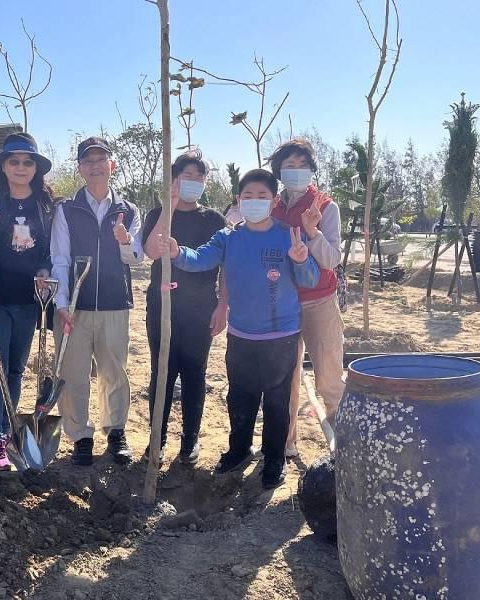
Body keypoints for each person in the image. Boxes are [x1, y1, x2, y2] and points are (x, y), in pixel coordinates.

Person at [158, 169, 320, 488]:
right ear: (238, 200)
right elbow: (200, 259)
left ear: (274, 201)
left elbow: (309, 279)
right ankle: (239, 450)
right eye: (248, 196)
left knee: (276, 401)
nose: (255, 202)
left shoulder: (288, 234)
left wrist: (301, 260)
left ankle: (274, 460)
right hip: (241, 335)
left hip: (281, 336)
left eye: (262, 197)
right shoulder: (229, 238)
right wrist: (177, 252)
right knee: (240, 397)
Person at [50, 136, 143, 466]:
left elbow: (136, 259)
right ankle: (80, 436)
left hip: (115, 305)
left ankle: (115, 430)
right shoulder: (66, 210)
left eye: (101, 160)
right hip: (76, 306)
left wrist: (125, 240)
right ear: (80, 168)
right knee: (73, 373)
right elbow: (59, 259)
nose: (95, 166)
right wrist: (61, 304)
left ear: (111, 165)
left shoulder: (129, 211)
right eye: (88, 161)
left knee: (114, 371)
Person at [0, 132, 54, 470]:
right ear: (3, 166)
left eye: (27, 161)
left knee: (18, 369)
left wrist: (45, 268)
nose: (21, 167)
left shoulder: (47, 204)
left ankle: (8, 433)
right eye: (14, 161)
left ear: (36, 167)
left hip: (28, 300)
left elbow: (50, 250)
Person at [142, 150, 228, 464]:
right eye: (185, 176)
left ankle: (190, 442)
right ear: (174, 179)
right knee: (161, 372)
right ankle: (157, 439)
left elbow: (225, 267)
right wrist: (170, 207)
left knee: (195, 373)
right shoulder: (158, 214)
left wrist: (223, 305)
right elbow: (152, 251)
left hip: (200, 306)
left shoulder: (214, 220)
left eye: (198, 177)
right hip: (162, 305)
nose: (192, 182)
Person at [268, 138, 344, 458]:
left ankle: (344, 444)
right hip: (282, 303)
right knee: (286, 377)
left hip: (319, 303)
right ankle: (286, 444)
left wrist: (313, 232)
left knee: (328, 376)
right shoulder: (271, 205)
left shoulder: (325, 206)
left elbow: (331, 260)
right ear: (279, 172)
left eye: (302, 166)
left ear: (312, 170)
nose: (296, 172)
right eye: (289, 166)